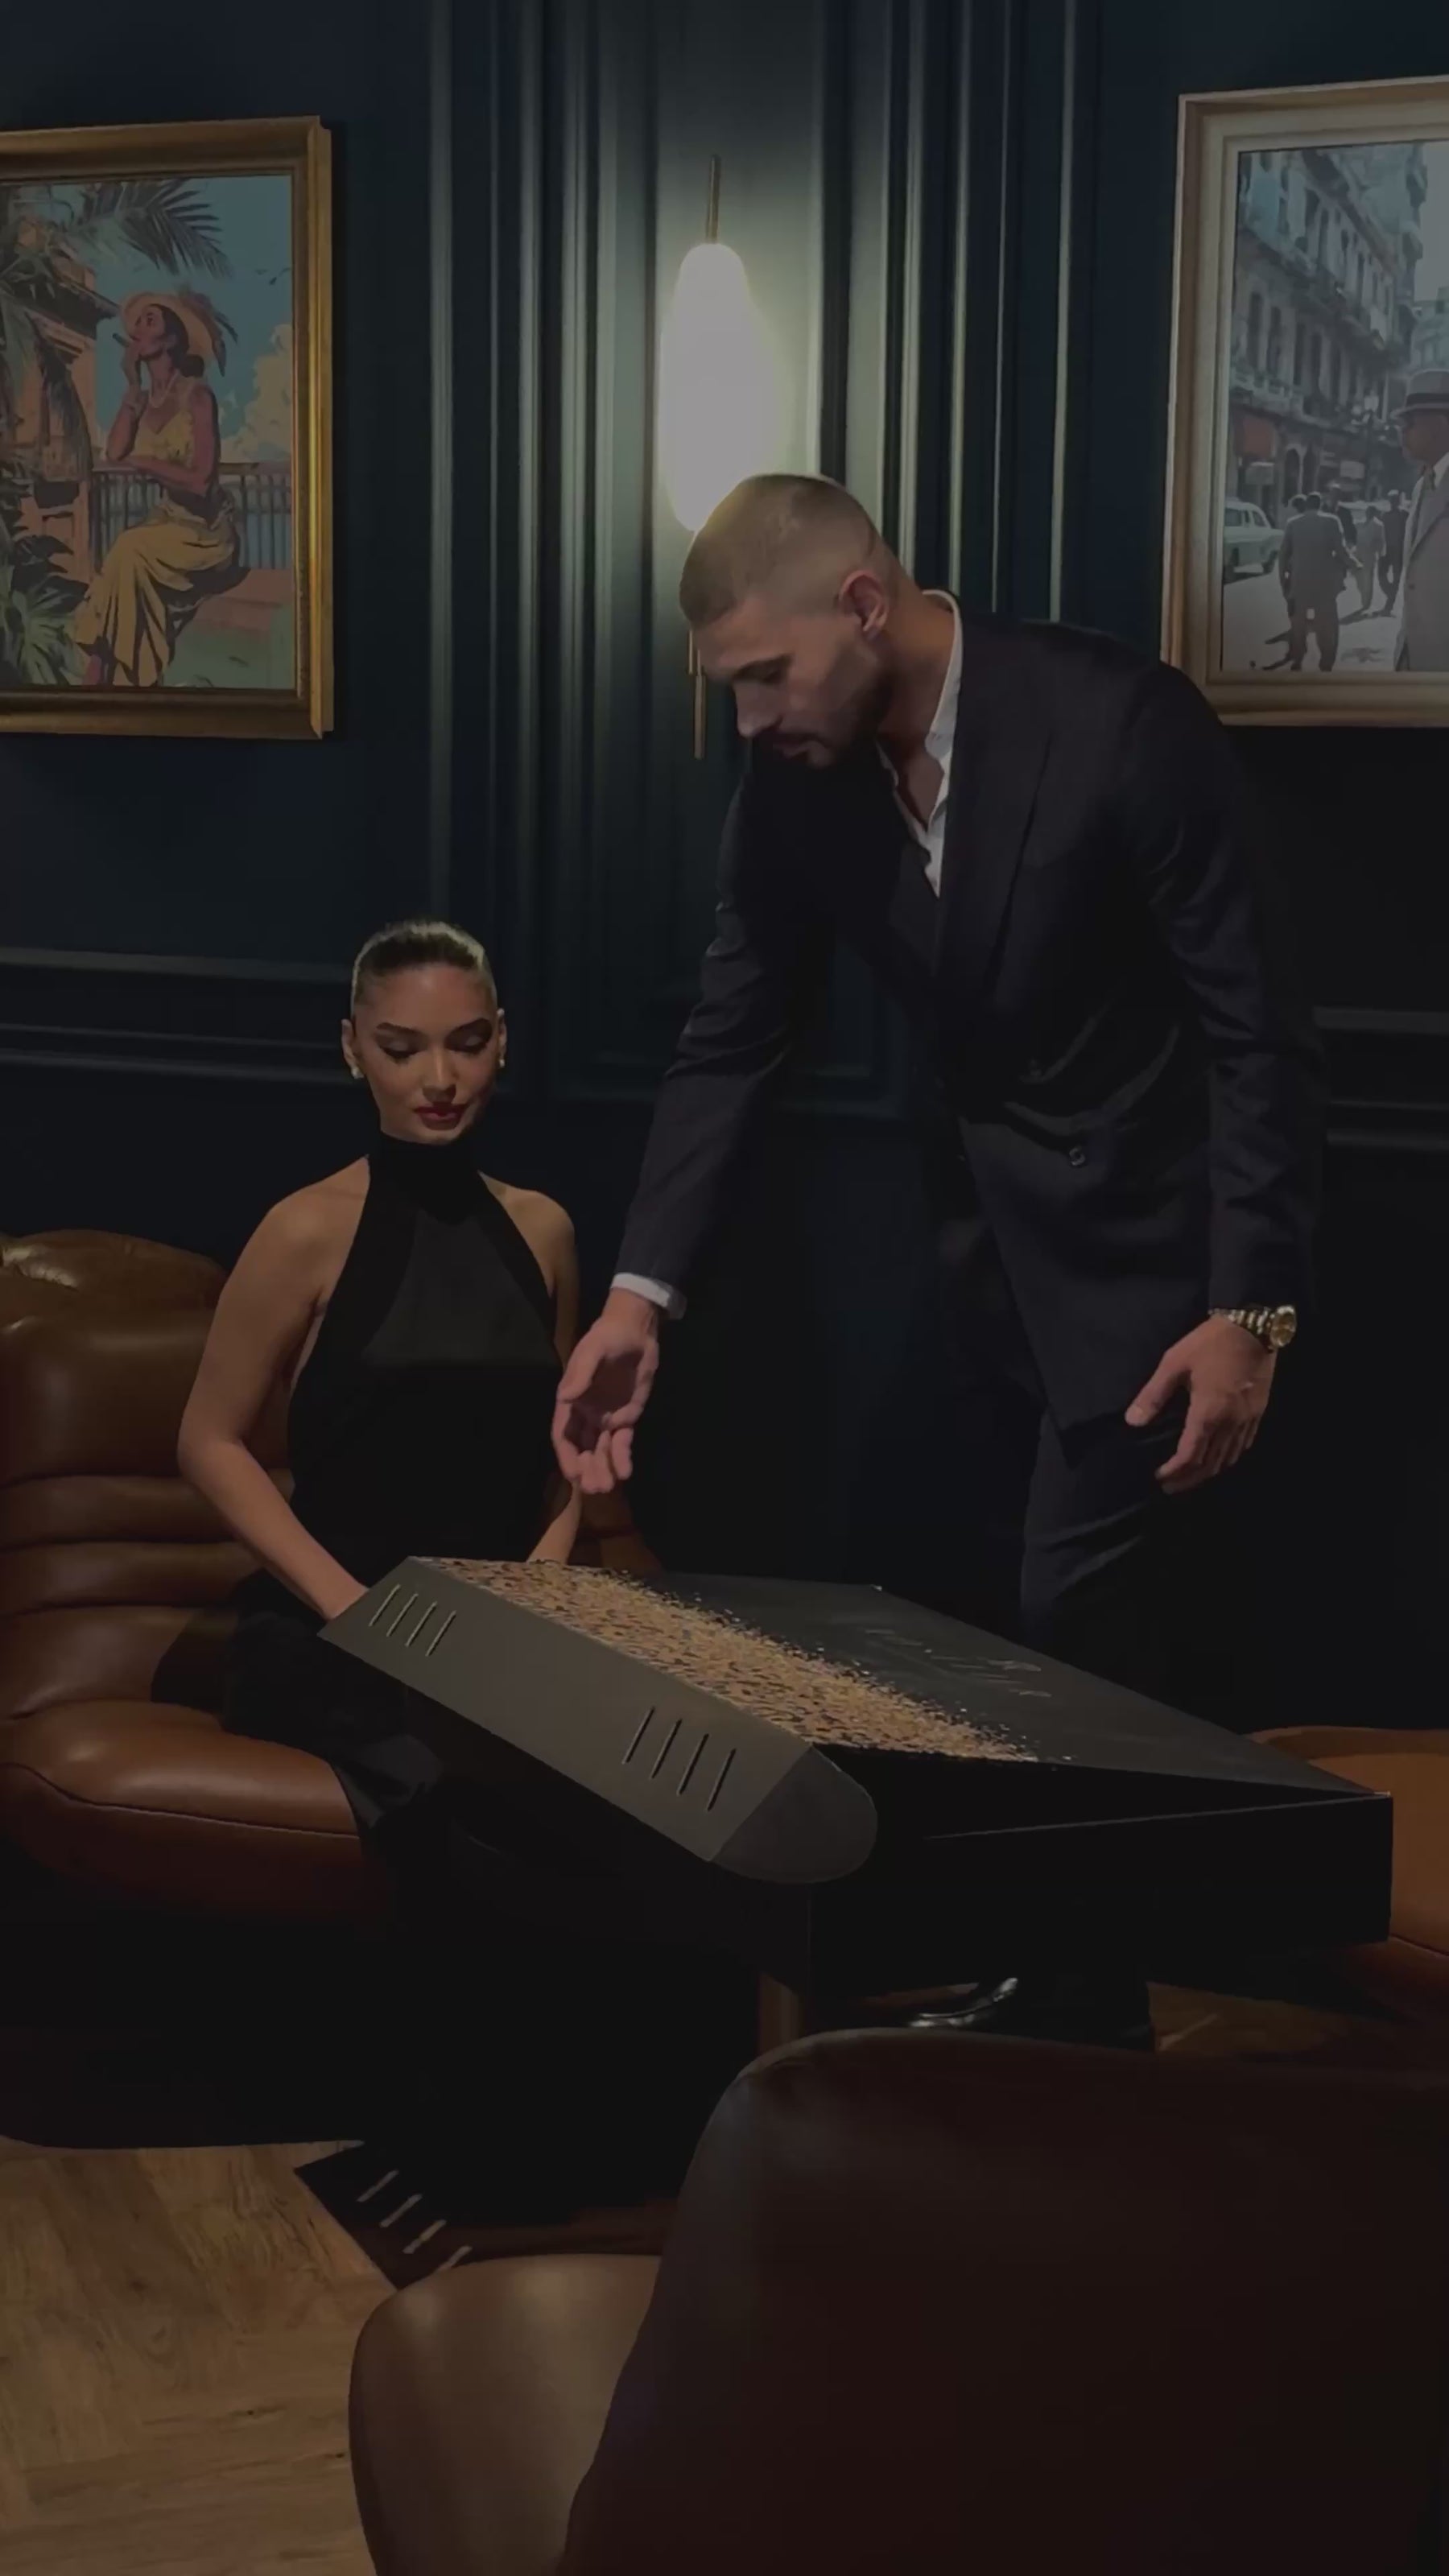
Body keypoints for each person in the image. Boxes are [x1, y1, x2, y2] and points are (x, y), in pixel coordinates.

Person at [555, 473, 1322, 1724]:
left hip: (1154, 1269)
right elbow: (734, 1034)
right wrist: (641, 1298)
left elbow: (1259, 1034)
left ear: (864, 604)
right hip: (978, 1269)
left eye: (767, 674)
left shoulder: (1120, 722)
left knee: (1074, 1623)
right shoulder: (799, 775)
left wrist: (1251, 1310)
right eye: (729, 687)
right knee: (997, 1638)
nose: (749, 720)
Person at [180, 919, 580, 1857]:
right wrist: (354, 1607)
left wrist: (541, 1595)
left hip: (496, 1630)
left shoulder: (546, 1230)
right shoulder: (304, 1229)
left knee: (634, 1783)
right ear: (353, 1048)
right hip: (333, 1629)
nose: (439, 1078)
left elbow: (566, 1447)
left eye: (466, 1043)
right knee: (456, 1784)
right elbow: (207, 1440)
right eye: (402, 1049)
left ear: (502, 1041)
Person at [74, 291, 240, 689]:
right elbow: (116, 451)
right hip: (164, 525)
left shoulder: (197, 396)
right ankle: (104, 676)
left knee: (128, 548)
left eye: (150, 320)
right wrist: (132, 385)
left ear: (172, 339)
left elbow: (201, 482)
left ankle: (105, 674)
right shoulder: (145, 399)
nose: (136, 329)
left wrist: (146, 463)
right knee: (126, 556)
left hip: (204, 534)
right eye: (137, 322)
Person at [1393, 369, 1449, 674]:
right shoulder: (1421, 486)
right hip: (1413, 664)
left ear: (1441, 424)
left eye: (1410, 423)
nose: (1402, 432)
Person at [1277, 492, 1349, 671]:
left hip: (1299, 581)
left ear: (1307, 504)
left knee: (1298, 622)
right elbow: (1341, 550)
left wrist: (1283, 581)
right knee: (1326, 623)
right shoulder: (1332, 521)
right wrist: (1354, 564)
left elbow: (1283, 555)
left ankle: (1298, 656)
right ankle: (1326, 659)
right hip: (1324, 582)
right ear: (1320, 504)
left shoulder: (1293, 523)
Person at [1353, 504, 1386, 614]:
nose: (1368, 513)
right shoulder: (1359, 523)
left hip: (1369, 554)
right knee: (1359, 578)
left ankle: (1367, 602)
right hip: (1358, 553)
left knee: (1368, 579)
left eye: (1371, 512)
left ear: (1374, 513)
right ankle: (1363, 595)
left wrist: (1380, 554)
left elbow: (1381, 542)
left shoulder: (1379, 525)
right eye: (1367, 511)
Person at [1381, 489, 1410, 610]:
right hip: (1386, 549)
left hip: (1399, 550)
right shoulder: (1385, 515)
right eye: (1392, 500)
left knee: (1396, 577)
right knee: (1381, 575)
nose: (1393, 502)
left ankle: (1389, 604)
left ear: (1398, 501)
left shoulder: (1404, 515)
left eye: (1395, 500)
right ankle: (1390, 593)